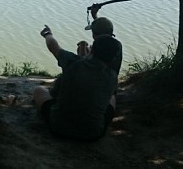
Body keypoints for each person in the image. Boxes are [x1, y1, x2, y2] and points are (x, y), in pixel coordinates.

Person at [32, 11, 122, 141]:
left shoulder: (74, 64)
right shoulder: (112, 77)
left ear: (93, 49)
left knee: (39, 91)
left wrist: (47, 33)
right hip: (93, 134)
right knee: (112, 97)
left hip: (59, 129)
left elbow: (53, 46)